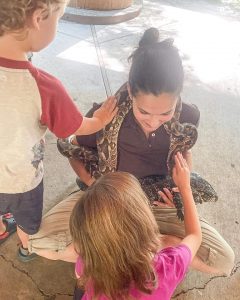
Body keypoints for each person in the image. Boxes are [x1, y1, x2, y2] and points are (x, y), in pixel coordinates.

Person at [28, 28, 234, 275]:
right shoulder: (105, 114)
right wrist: (94, 184)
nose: (154, 121)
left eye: (165, 113)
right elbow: (74, 152)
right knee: (37, 240)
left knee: (223, 261)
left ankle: (129, 247)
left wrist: (182, 187)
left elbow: (184, 152)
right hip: (110, 200)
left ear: (177, 96)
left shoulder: (189, 116)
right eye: (144, 112)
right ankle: (147, 251)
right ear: (132, 93)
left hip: (160, 202)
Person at [0, 0, 117, 261]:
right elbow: (74, 127)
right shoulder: (43, 86)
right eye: (59, 17)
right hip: (23, 183)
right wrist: (99, 120)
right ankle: (25, 247)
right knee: (27, 224)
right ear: (39, 17)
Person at [69, 153, 202, 300]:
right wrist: (185, 188)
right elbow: (195, 236)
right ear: (144, 219)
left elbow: (79, 275)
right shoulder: (167, 268)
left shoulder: (88, 262)